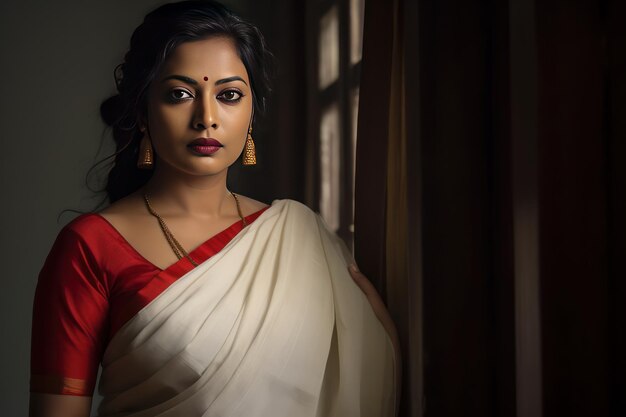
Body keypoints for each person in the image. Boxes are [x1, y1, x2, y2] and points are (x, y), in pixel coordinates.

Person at [29, 1, 399, 416]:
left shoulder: (299, 237)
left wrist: (379, 337)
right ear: (143, 112)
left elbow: (355, 385)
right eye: (180, 94)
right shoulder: (89, 247)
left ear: (251, 114)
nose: (206, 117)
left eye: (228, 95)